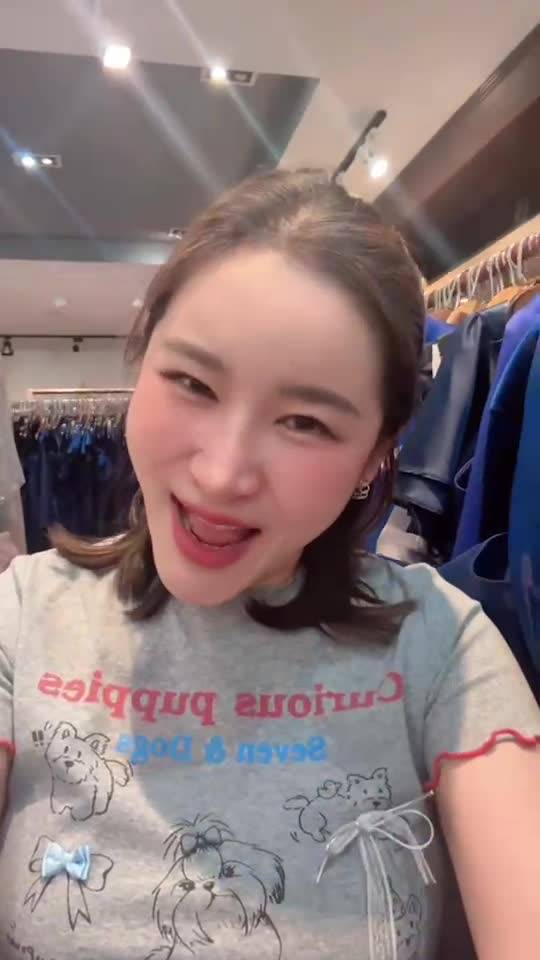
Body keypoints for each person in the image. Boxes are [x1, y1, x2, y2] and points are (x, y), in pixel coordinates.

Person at [0, 169, 538, 960]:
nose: (223, 475)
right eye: (192, 382)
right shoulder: (22, 618)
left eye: (305, 423)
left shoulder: (441, 649)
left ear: (377, 454)